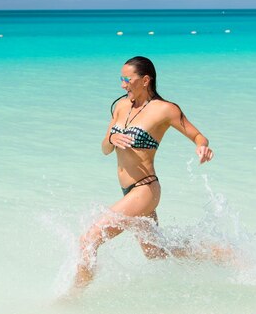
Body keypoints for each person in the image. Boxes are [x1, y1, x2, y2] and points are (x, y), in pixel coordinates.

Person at [74, 56, 218, 288]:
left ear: (145, 80)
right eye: (121, 79)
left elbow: (198, 136)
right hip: (128, 191)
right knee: (156, 253)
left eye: (127, 79)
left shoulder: (165, 110)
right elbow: (105, 149)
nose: (122, 84)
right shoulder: (121, 106)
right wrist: (111, 138)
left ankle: (72, 298)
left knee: (89, 239)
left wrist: (202, 147)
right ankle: (214, 253)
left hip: (145, 189)